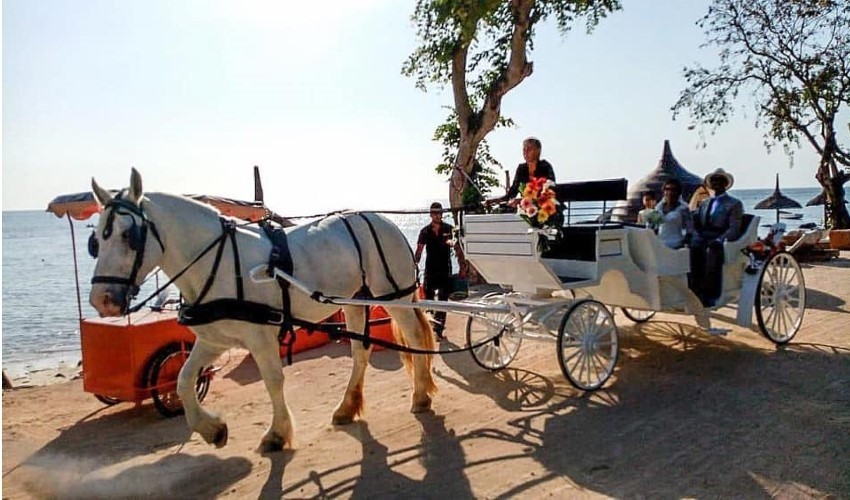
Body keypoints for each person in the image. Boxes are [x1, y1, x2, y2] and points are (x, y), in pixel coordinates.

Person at [688, 168, 744, 307]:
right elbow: (694, 221)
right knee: (688, 250)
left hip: (719, 236)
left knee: (712, 252)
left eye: (720, 180)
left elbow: (734, 228)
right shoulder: (704, 203)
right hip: (702, 236)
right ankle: (692, 290)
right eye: (714, 180)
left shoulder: (734, 203)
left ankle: (711, 294)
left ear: (725, 184)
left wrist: (720, 239)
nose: (716, 183)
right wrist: (694, 234)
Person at [415, 202, 466, 340]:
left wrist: (462, 266)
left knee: (443, 301)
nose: (438, 215)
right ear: (431, 214)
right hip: (430, 271)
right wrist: (414, 265)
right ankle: (430, 329)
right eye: (435, 213)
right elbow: (419, 251)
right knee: (429, 301)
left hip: (445, 270)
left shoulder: (449, 229)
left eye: (439, 213)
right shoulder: (425, 231)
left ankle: (439, 330)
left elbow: (457, 248)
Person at [489, 137, 556, 206]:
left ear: (538, 151)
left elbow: (549, 191)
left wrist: (523, 200)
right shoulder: (521, 168)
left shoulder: (545, 167)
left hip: (544, 208)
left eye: (529, 149)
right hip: (526, 209)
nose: (525, 152)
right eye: (524, 149)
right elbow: (513, 191)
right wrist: (497, 200)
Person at [655, 179, 692, 249]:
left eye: (673, 190)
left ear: (679, 193)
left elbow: (689, 230)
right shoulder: (658, 208)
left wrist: (684, 244)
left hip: (676, 245)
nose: (670, 192)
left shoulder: (683, 209)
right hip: (659, 245)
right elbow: (653, 227)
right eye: (667, 189)